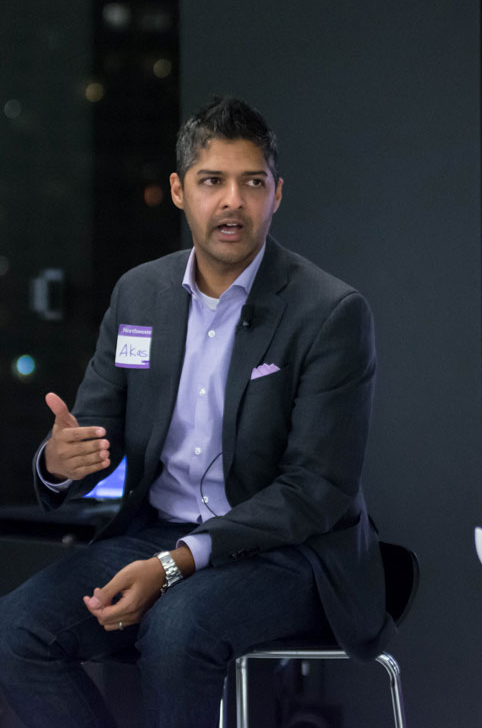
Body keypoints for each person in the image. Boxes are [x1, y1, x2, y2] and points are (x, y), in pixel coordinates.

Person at [0, 97, 393, 728]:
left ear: (277, 194)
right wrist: (59, 462)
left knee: (179, 629)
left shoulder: (329, 312)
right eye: (213, 181)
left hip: (290, 555)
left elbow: (315, 491)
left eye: (252, 182)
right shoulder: (140, 293)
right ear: (181, 192)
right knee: (16, 632)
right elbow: (96, 432)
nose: (233, 200)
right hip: (159, 531)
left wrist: (175, 563)